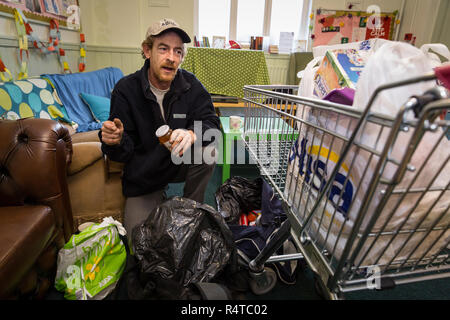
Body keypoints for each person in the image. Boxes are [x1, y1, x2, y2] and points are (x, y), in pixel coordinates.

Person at [99, 18, 220, 236]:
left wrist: (191, 134)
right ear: (147, 50)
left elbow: (212, 124)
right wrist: (114, 141)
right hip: (146, 173)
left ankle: (191, 210)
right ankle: (158, 197)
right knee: (138, 242)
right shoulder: (126, 89)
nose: (171, 58)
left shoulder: (191, 85)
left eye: (178, 52)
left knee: (208, 152)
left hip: (178, 161)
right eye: (163, 49)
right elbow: (123, 152)